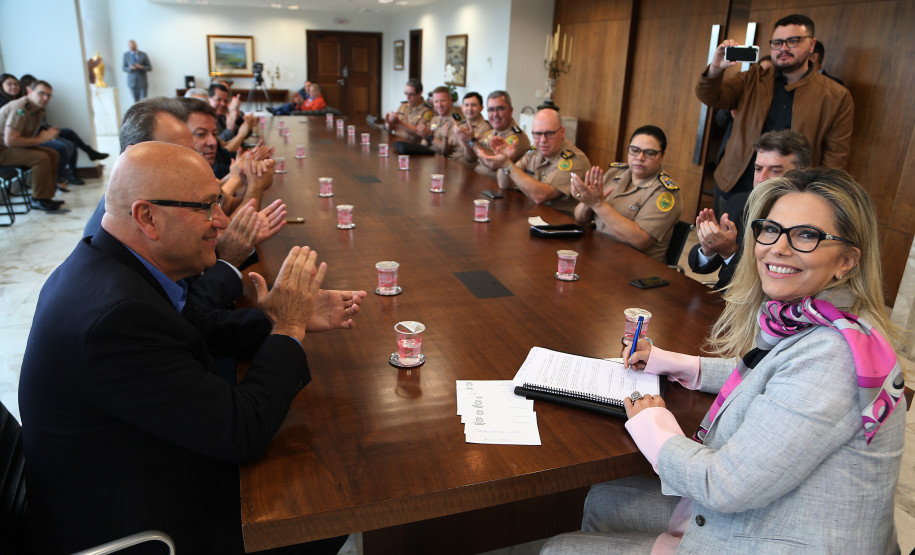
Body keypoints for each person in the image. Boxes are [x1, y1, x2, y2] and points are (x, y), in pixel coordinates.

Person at [19, 141, 365, 554]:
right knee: (333, 497)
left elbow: (196, 328)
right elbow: (242, 432)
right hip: (143, 526)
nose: (221, 221)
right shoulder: (118, 316)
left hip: (136, 466)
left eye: (218, 203)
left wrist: (277, 318)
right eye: (205, 207)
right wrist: (288, 329)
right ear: (147, 216)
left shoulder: (114, 264)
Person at [541, 168, 906, 554]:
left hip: (789, 535)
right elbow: (770, 374)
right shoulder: (820, 317)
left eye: (806, 235)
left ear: (847, 260)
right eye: (770, 229)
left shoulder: (835, 358)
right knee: (603, 499)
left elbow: (724, 484)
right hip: (775, 505)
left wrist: (655, 425)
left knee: (558, 550)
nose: (777, 248)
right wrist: (681, 365)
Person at [696, 14, 853, 215]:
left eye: (793, 41)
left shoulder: (836, 96)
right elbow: (710, 96)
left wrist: (817, 196)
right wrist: (715, 69)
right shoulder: (754, 78)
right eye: (777, 42)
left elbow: (835, 157)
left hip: (789, 193)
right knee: (724, 240)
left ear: (812, 44)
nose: (783, 48)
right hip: (734, 182)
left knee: (768, 243)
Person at [689, 130, 811, 290]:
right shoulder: (738, 202)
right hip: (724, 298)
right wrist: (708, 247)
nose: (761, 178)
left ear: (801, 175)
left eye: (774, 171)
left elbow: (768, 285)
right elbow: (700, 267)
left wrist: (730, 252)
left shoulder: (808, 220)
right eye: (758, 169)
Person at [570, 125, 680, 262]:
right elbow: (580, 217)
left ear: (662, 156)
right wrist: (587, 201)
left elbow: (640, 240)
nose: (640, 157)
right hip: (598, 252)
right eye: (634, 150)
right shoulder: (615, 173)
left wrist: (599, 205)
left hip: (635, 265)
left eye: (650, 153)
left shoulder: (665, 193)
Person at [484, 108, 589, 214]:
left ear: (562, 132)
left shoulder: (574, 160)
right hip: (535, 214)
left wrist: (508, 165)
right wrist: (506, 160)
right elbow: (504, 184)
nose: (543, 140)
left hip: (562, 223)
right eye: (537, 134)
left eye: (549, 133)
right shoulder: (534, 152)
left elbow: (541, 195)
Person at [0, 80, 64, 210]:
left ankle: (47, 197)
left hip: (11, 148)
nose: (45, 98)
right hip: (3, 150)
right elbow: (10, 140)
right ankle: (38, 199)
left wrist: (44, 136)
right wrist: (42, 139)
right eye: (41, 93)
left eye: (48, 95)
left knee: (52, 154)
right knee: (41, 158)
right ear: (30, 91)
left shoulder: (37, 109)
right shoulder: (20, 108)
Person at [455, 90, 530, 178]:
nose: (495, 114)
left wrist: (473, 141)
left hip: (496, 187)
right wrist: (467, 142)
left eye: (500, 109)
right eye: (491, 110)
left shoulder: (516, 137)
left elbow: (494, 164)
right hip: (477, 179)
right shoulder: (490, 133)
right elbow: (471, 158)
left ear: (511, 110)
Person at [445, 91, 491, 166]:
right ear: (462, 108)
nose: (470, 108)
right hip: (451, 163)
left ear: (481, 108)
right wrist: (445, 137)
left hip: (467, 167)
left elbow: (475, 157)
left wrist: (465, 140)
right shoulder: (460, 125)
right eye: (466, 105)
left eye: (474, 105)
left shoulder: (486, 128)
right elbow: (448, 149)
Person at [416, 85, 459, 155]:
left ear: (450, 101)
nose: (439, 105)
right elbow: (423, 144)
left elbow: (447, 151)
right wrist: (426, 136)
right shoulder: (435, 118)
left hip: (444, 161)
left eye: (442, 101)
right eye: (436, 101)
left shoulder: (455, 122)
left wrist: (430, 137)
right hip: (428, 155)